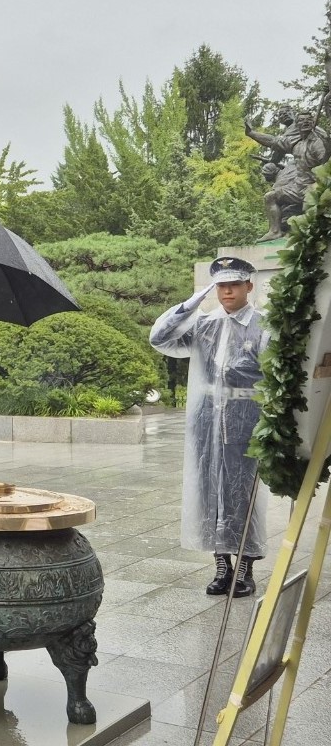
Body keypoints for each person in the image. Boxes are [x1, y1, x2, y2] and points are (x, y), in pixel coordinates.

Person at [150, 256, 269, 598]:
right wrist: (191, 304)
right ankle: (221, 566)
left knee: (244, 495)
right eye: (220, 285)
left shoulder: (264, 324)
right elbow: (160, 339)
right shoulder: (204, 325)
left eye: (233, 284)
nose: (226, 291)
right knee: (210, 493)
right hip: (206, 423)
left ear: (249, 285)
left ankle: (245, 566)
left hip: (247, 421)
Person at [246, 108, 331, 241]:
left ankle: (313, 237)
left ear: (313, 123)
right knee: (270, 197)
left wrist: (326, 142)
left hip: (315, 186)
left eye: (309, 120)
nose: (305, 123)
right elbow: (274, 141)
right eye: (302, 121)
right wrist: (252, 133)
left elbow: (325, 161)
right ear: (297, 125)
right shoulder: (296, 144)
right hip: (298, 187)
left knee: (309, 211)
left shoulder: (317, 142)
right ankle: (275, 231)